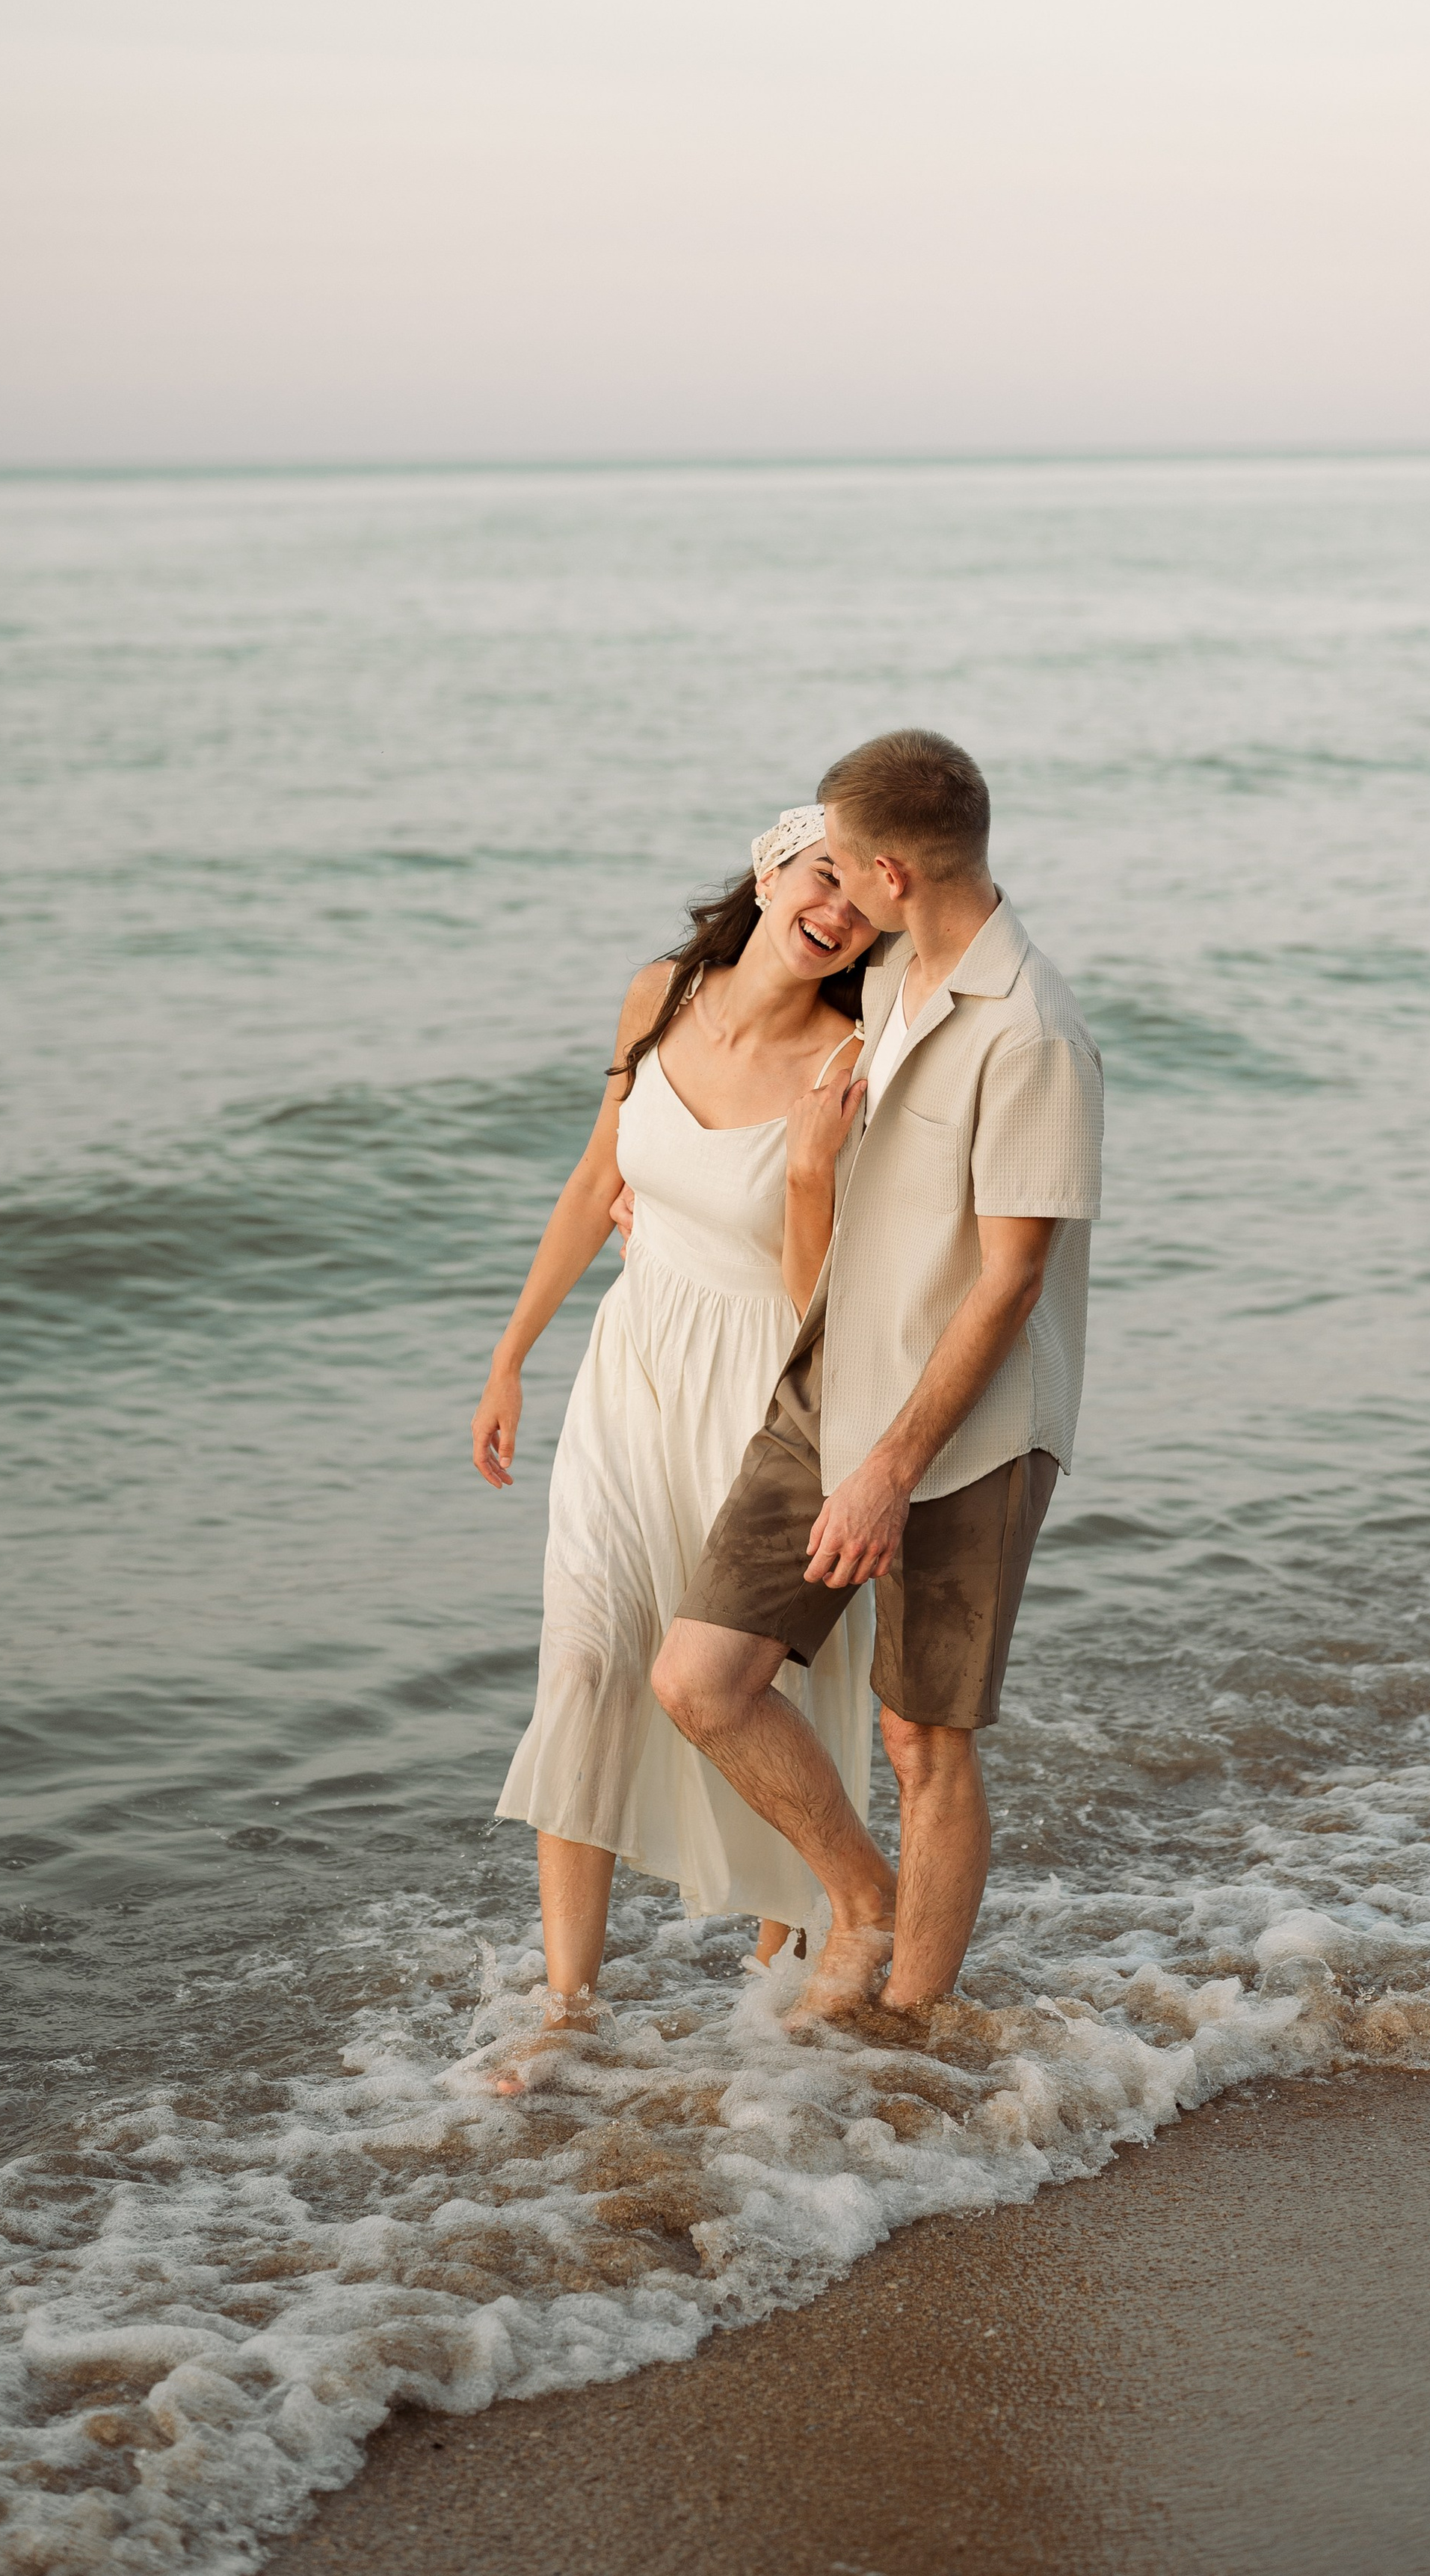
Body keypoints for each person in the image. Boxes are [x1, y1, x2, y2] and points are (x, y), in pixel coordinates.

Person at [652, 729, 1101, 2015]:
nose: (829, 889)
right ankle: (861, 1898)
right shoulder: (897, 968)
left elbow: (1010, 1283)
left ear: (897, 871)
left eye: (845, 864)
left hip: (967, 1433)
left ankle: (913, 2032)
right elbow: (748, 1042)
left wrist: (889, 1474)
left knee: (924, 1738)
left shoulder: (1033, 1038)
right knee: (701, 1680)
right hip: (829, 1384)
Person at [470, 807, 880, 2015]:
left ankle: (783, 1986)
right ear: (771, 869)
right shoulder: (659, 992)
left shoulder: (850, 1061)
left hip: (765, 1397)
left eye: (865, 903)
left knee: (758, 1694)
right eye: (822, 878)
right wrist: (510, 1356)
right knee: (587, 1664)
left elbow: (825, 1303)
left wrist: (810, 1172)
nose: (836, 914)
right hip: (631, 1366)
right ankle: (566, 2010)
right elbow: (600, 1177)